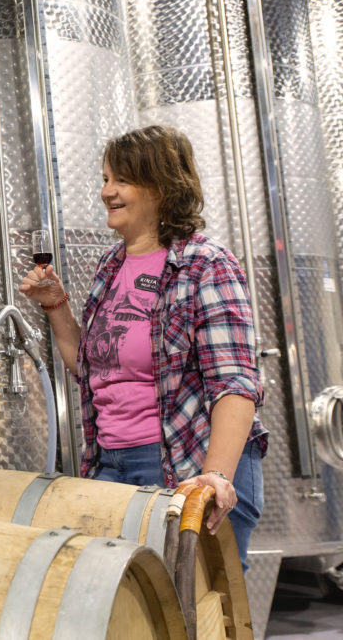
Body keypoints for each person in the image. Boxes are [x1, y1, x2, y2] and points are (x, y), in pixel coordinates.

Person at [19, 125, 268, 566]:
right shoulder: (111, 264)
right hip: (111, 461)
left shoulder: (205, 264)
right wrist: (56, 306)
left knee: (193, 621)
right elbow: (92, 368)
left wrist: (214, 475)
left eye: (122, 180)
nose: (106, 191)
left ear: (162, 186)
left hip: (183, 464)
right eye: (105, 179)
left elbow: (234, 382)